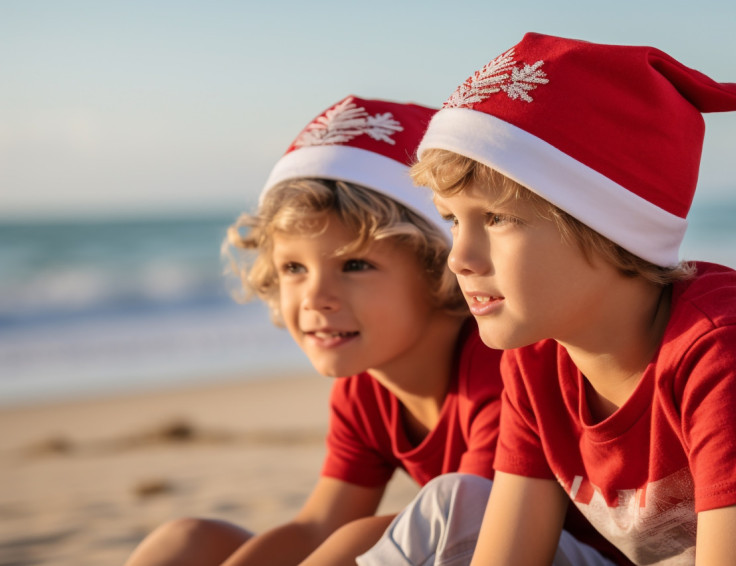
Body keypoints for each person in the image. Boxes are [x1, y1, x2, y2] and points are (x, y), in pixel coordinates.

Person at [357, 33, 736, 566]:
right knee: (451, 508)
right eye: (453, 219)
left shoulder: (730, 353)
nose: (459, 258)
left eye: (497, 218)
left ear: (608, 228)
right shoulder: (536, 359)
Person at [123, 95, 503, 566]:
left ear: (438, 267)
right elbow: (319, 526)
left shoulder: (499, 365)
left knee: (372, 534)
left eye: (356, 264)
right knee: (187, 541)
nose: (316, 297)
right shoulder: (364, 389)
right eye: (294, 268)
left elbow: (462, 522)